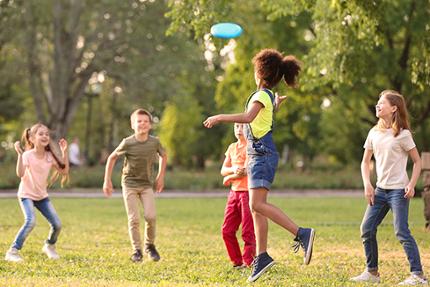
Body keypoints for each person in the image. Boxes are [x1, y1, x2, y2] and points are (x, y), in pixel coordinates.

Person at [203, 48, 315, 282]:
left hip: (261, 154)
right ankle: (262, 256)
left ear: (261, 73)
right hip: (258, 154)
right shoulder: (267, 96)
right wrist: (276, 106)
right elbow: (263, 119)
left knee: (257, 204)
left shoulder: (261, 95)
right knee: (255, 207)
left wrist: (219, 117)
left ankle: (301, 233)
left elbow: (248, 118)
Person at [351, 90, 428, 285]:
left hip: (398, 191)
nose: (377, 105)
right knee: (366, 228)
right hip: (379, 190)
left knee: (401, 230)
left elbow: (417, 161)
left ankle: (418, 275)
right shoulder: (374, 132)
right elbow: (365, 161)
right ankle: (372, 272)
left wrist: (411, 185)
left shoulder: (403, 134)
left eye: (381, 103)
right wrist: (367, 184)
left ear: (394, 108)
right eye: (377, 102)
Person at [103, 108, 167, 263]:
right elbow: (111, 158)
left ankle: (149, 246)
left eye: (146, 121)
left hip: (146, 185)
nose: (142, 124)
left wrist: (160, 177)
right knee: (134, 219)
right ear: (133, 124)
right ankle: (137, 251)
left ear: (150, 125)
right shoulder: (128, 142)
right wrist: (107, 180)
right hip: (129, 184)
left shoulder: (154, 142)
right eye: (139, 121)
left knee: (150, 216)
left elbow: (163, 156)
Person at [4, 123, 69, 262]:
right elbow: (20, 174)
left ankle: (49, 246)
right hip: (26, 195)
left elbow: (64, 171)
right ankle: (12, 251)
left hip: (42, 196)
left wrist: (64, 152)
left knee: (57, 224)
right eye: (41, 134)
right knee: (30, 221)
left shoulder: (49, 156)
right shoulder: (27, 155)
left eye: (46, 134)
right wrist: (20, 155)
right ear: (32, 138)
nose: (45, 136)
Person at [221, 123, 255, 269]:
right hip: (233, 194)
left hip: (248, 193)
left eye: (242, 126)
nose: (239, 129)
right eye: (236, 126)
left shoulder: (250, 146)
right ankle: (237, 262)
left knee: (247, 231)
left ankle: (249, 262)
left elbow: (245, 171)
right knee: (227, 230)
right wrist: (232, 170)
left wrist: (228, 178)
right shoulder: (231, 147)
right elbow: (223, 169)